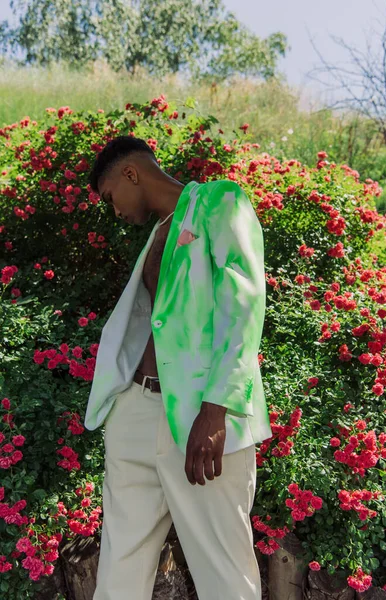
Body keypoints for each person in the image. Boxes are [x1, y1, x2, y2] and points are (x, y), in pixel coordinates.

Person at [84, 135, 272, 600]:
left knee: (224, 571)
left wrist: (217, 408)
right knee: (118, 570)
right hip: (134, 412)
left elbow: (244, 306)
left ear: (131, 173)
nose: (115, 212)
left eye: (110, 198)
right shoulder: (159, 232)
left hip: (201, 419)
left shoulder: (219, 202)